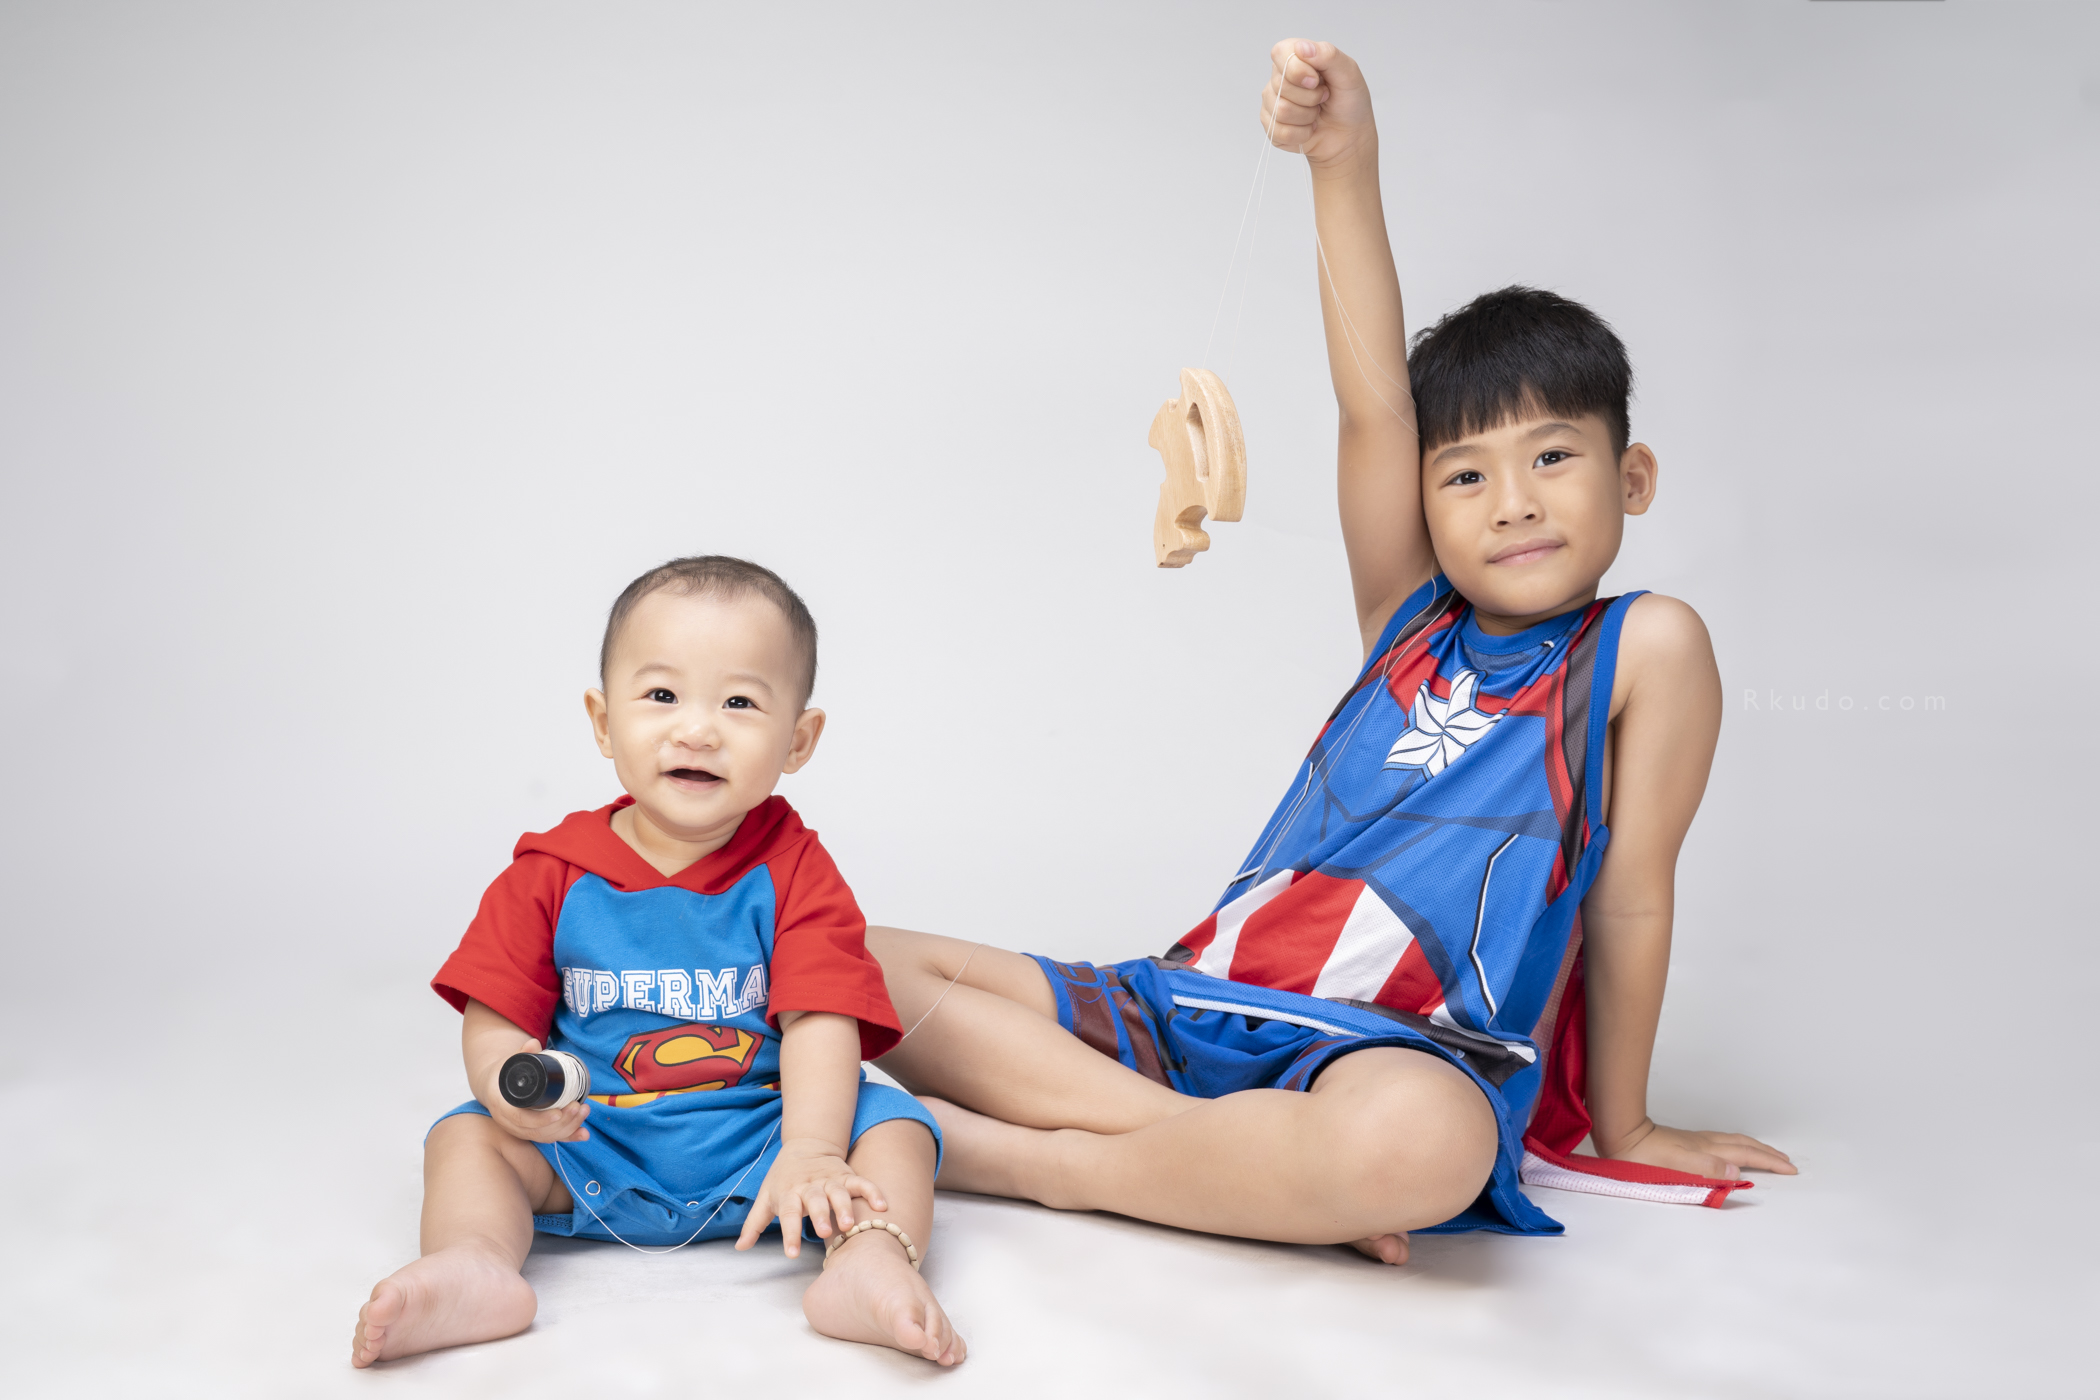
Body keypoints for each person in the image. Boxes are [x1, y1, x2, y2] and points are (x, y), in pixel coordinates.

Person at [871, 38, 1794, 1263]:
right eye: (1466, 475)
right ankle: (1222, 1155)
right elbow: (1372, 405)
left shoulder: (1642, 647)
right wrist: (1341, 160)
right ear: (1424, 502)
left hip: (1393, 1052)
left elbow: (1630, 889)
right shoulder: (1409, 613)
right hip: (1198, 999)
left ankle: (1027, 1157)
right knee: (846, 956)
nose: (1513, 501)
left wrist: (1621, 1121)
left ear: (1633, 476)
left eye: (1552, 457)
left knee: (1424, 1145)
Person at [351, 557, 965, 1366]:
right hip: (590, 1140)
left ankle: (867, 1260)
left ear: (798, 740)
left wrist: (814, 1149)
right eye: (662, 695)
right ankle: (474, 1260)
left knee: (895, 1127)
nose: (697, 730)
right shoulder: (550, 873)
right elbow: (496, 1016)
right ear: (604, 722)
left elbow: (821, 1019)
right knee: (465, 1138)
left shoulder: (796, 871)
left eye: (739, 702)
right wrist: (511, 1093)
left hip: (767, 1144)